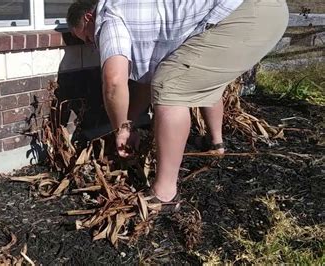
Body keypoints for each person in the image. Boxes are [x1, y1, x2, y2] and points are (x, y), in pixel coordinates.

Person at [67, 0, 288, 205]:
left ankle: (163, 193)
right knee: (198, 76)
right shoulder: (131, 8)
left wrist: (122, 130)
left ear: (89, 18)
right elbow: (144, 84)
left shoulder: (108, 16)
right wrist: (130, 123)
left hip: (245, 14)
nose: (93, 45)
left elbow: (114, 82)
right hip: (267, 11)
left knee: (168, 85)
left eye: (87, 38)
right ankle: (216, 145)